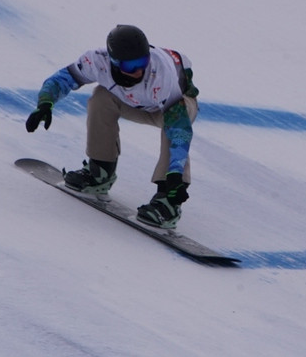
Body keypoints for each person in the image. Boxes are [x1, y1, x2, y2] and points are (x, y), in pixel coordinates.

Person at [25, 25, 199, 229]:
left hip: (175, 105)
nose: (138, 71)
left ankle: (168, 199)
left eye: (142, 62)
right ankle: (100, 170)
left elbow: (179, 129)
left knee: (178, 121)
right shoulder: (97, 61)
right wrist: (45, 102)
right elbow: (63, 78)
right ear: (114, 62)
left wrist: (175, 174)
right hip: (135, 101)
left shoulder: (161, 74)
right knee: (101, 97)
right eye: (130, 66)